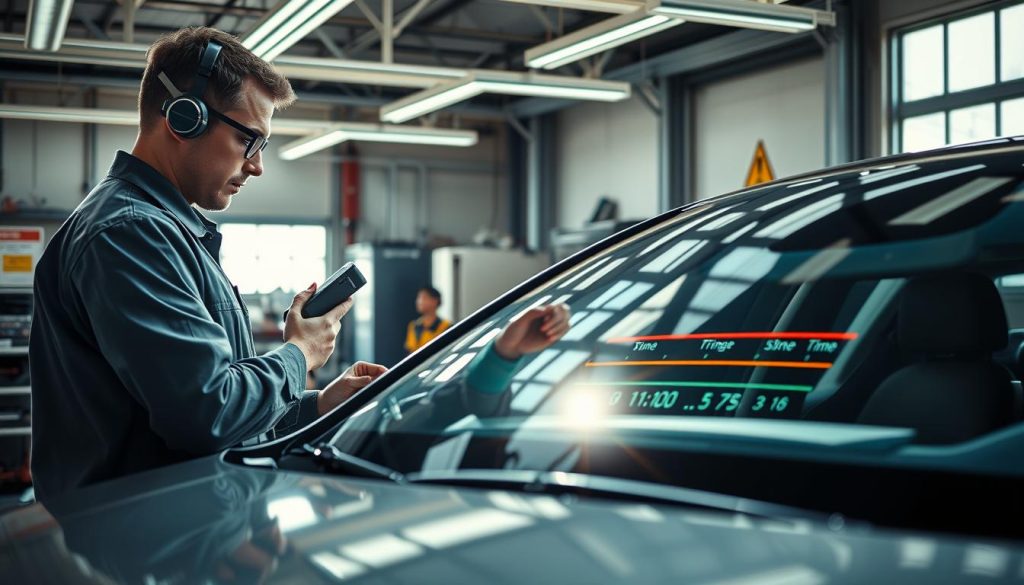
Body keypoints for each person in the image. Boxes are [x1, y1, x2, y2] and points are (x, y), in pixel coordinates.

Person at [28, 26, 385, 503]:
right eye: (248, 140)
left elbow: (209, 404)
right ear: (184, 118)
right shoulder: (130, 233)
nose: (257, 166)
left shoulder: (167, 231)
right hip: (139, 536)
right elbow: (207, 413)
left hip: (180, 526)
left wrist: (316, 404)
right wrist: (300, 353)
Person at [404, 286, 451, 354]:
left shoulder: (446, 326)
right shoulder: (414, 325)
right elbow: (409, 351)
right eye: (418, 298)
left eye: (424, 298)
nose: (419, 302)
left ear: (435, 301)